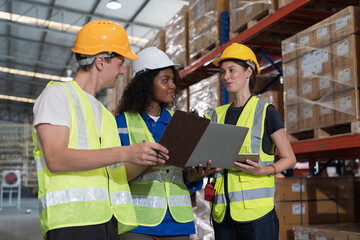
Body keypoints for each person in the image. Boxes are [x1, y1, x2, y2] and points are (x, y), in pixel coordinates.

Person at [32, 21, 169, 240]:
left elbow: (115, 172)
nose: (122, 71)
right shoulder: (57, 95)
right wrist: (126, 152)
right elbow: (56, 158)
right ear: (100, 62)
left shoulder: (105, 114)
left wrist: (145, 159)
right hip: (72, 221)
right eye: (120, 63)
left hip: (108, 221)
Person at [115, 47, 216, 240]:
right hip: (137, 224)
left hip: (178, 224)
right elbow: (114, 175)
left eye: (172, 80)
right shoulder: (121, 124)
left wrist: (195, 177)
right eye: (165, 80)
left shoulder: (183, 123)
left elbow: (184, 178)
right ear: (145, 84)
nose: (172, 86)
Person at [204, 43, 296, 240]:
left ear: (248, 71)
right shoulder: (214, 116)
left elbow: (289, 158)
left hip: (257, 216)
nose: (226, 77)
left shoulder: (265, 112)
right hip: (223, 214)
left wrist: (264, 170)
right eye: (223, 72)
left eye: (231, 70)